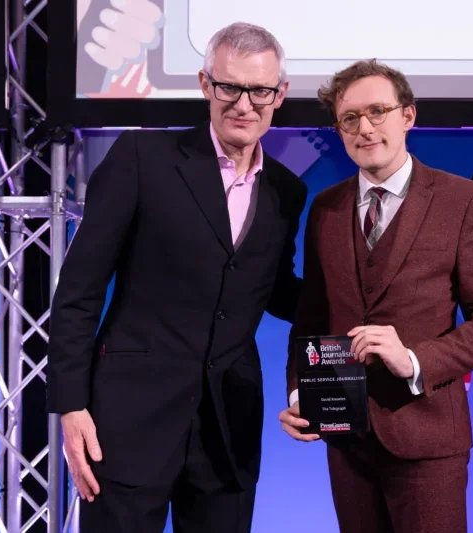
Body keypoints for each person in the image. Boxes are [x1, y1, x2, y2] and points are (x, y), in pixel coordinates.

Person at [46, 22, 307, 533]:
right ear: (206, 84)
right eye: (229, 87)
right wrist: (70, 405)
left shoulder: (286, 191)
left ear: (280, 95)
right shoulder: (143, 160)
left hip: (228, 428)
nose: (244, 104)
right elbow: (78, 292)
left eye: (259, 90)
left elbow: (273, 290)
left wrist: (360, 297)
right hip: (126, 424)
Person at [278, 59, 473, 533]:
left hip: (429, 440)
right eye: (350, 118)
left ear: (407, 116)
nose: (364, 128)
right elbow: (310, 319)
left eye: (378, 111)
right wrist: (299, 392)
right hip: (346, 438)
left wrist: (413, 359)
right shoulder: (325, 208)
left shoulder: (463, 200)